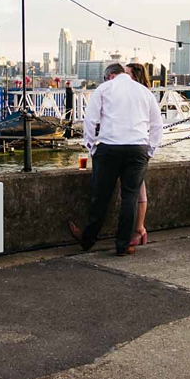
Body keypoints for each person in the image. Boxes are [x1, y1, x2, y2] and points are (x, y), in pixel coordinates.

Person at [69, 63, 162, 256]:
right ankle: (123, 245)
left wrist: (91, 146)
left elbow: (90, 120)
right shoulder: (144, 92)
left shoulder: (104, 89)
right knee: (130, 197)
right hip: (137, 148)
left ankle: (88, 239)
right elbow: (156, 125)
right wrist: (150, 150)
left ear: (110, 76)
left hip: (109, 147)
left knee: (101, 196)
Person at [126, 63, 152, 245]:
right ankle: (138, 229)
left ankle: (139, 228)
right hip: (134, 145)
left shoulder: (142, 95)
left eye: (126, 74)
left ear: (135, 76)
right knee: (136, 188)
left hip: (138, 145)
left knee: (138, 188)